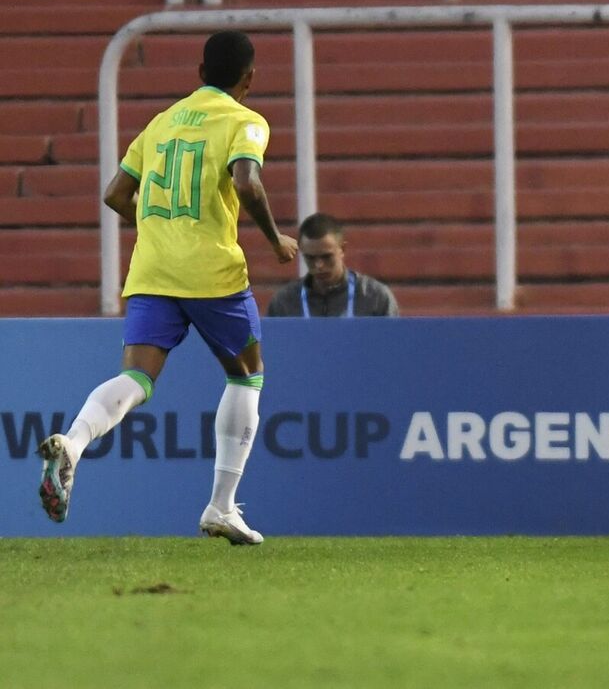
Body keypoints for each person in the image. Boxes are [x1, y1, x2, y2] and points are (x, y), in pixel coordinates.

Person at [37, 31, 298, 545]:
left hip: (152, 268)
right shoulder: (245, 121)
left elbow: (115, 193)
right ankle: (222, 506)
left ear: (200, 72)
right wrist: (275, 239)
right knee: (247, 375)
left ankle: (74, 441)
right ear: (250, 78)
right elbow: (246, 181)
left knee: (136, 376)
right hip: (210, 270)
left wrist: (161, 229)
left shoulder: (161, 123)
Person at [266, 212, 399, 318]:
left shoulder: (375, 298)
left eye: (326, 256)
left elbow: (393, 347)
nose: (319, 265)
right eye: (310, 258)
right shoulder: (283, 303)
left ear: (342, 249)